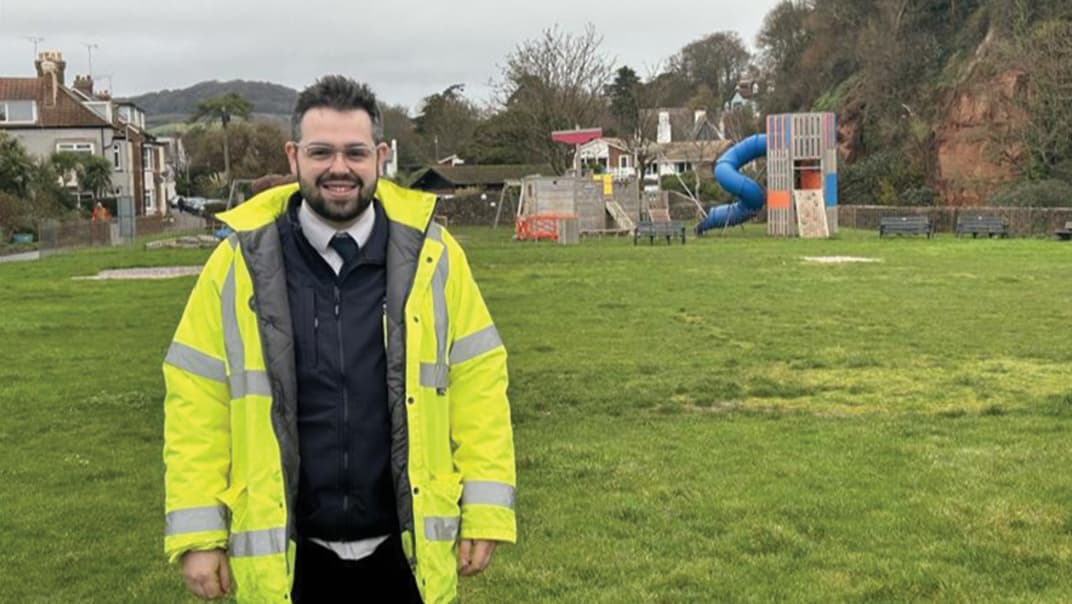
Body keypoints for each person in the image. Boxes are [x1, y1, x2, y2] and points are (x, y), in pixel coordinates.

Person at [162, 75, 516, 603]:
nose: (339, 168)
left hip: (405, 553)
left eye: (355, 152)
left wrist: (486, 509)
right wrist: (198, 536)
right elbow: (197, 402)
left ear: (380, 155)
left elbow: (479, 385)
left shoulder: (434, 258)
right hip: (292, 558)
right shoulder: (237, 265)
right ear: (293, 157)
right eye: (321, 151)